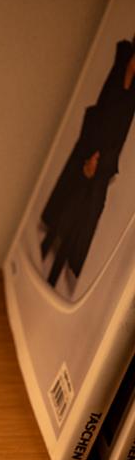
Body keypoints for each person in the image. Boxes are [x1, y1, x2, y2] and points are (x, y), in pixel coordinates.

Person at [40, 36, 135, 288]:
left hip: (104, 162)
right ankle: (43, 256)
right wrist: (89, 155)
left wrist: (100, 163)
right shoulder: (121, 61)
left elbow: (121, 132)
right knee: (64, 205)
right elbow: (101, 109)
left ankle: (53, 278)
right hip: (88, 146)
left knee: (79, 218)